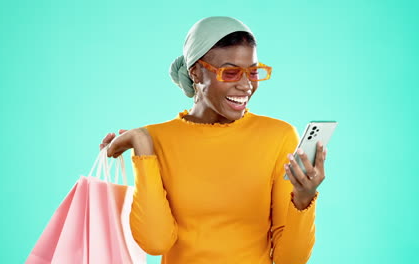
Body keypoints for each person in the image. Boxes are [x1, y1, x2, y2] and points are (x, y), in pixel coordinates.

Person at [99, 16, 327, 264]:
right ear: (196, 72)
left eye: (252, 72)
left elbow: (290, 260)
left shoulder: (278, 136)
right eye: (230, 73)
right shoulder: (156, 140)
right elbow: (156, 243)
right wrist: (142, 146)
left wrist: (303, 201)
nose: (246, 85)